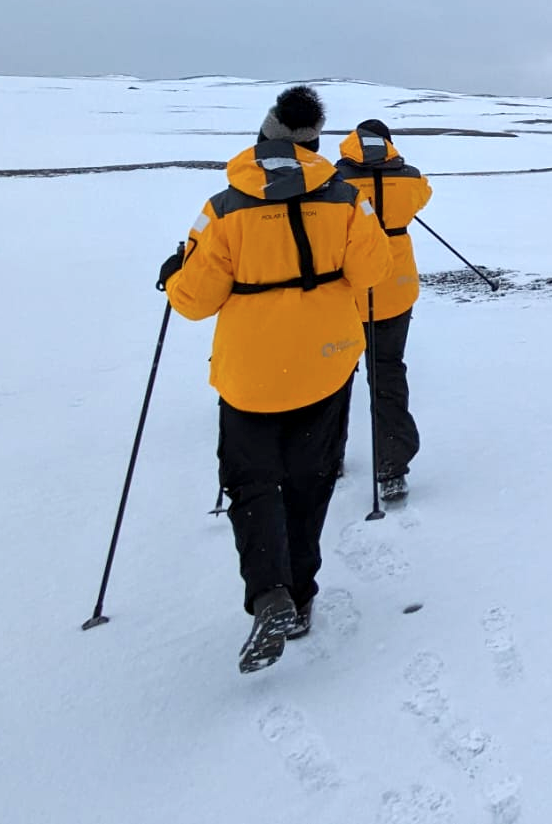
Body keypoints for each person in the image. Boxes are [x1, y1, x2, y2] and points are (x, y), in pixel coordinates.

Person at [156, 85, 392, 673]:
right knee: (311, 483)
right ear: (314, 145)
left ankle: (269, 593)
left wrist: (174, 274)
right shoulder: (345, 201)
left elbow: (193, 303)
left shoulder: (224, 208)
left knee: (252, 483)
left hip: (250, 375)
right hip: (326, 362)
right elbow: (372, 271)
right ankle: (303, 596)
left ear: (262, 142)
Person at [334, 119, 434, 501]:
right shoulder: (409, 178)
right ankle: (392, 464)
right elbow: (424, 194)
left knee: (336, 376)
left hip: (346, 290)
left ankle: (328, 456)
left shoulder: (335, 183)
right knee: (388, 372)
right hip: (396, 289)